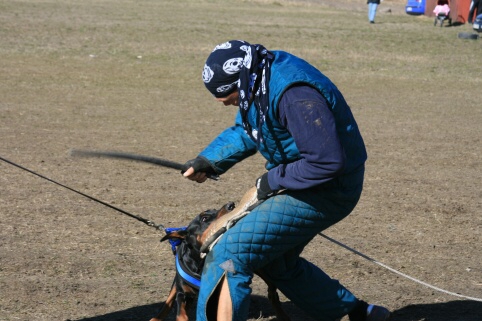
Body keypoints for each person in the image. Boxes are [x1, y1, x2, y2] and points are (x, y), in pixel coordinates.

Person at [182, 40, 391, 321]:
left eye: (227, 94)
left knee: (229, 254)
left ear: (242, 80)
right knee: (276, 261)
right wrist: (208, 161)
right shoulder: (259, 78)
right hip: (303, 179)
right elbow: (250, 127)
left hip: (327, 188)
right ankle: (355, 313)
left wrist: (273, 179)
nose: (222, 102)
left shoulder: (295, 95)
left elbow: (327, 162)